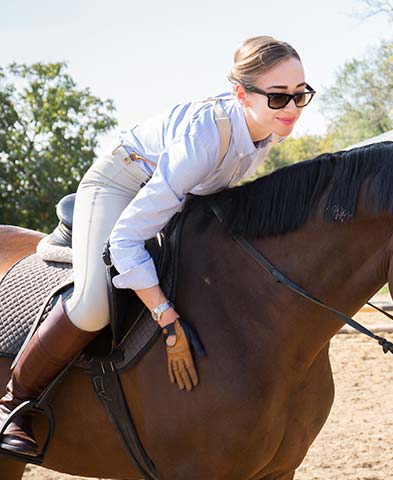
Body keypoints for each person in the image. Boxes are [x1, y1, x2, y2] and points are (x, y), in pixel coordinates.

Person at [0, 35, 315, 456]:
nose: (292, 108)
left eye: (300, 95)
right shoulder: (207, 136)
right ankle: (12, 404)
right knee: (94, 304)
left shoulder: (268, 129)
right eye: (278, 97)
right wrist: (168, 323)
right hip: (119, 184)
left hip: (173, 194)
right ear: (242, 94)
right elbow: (127, 240)